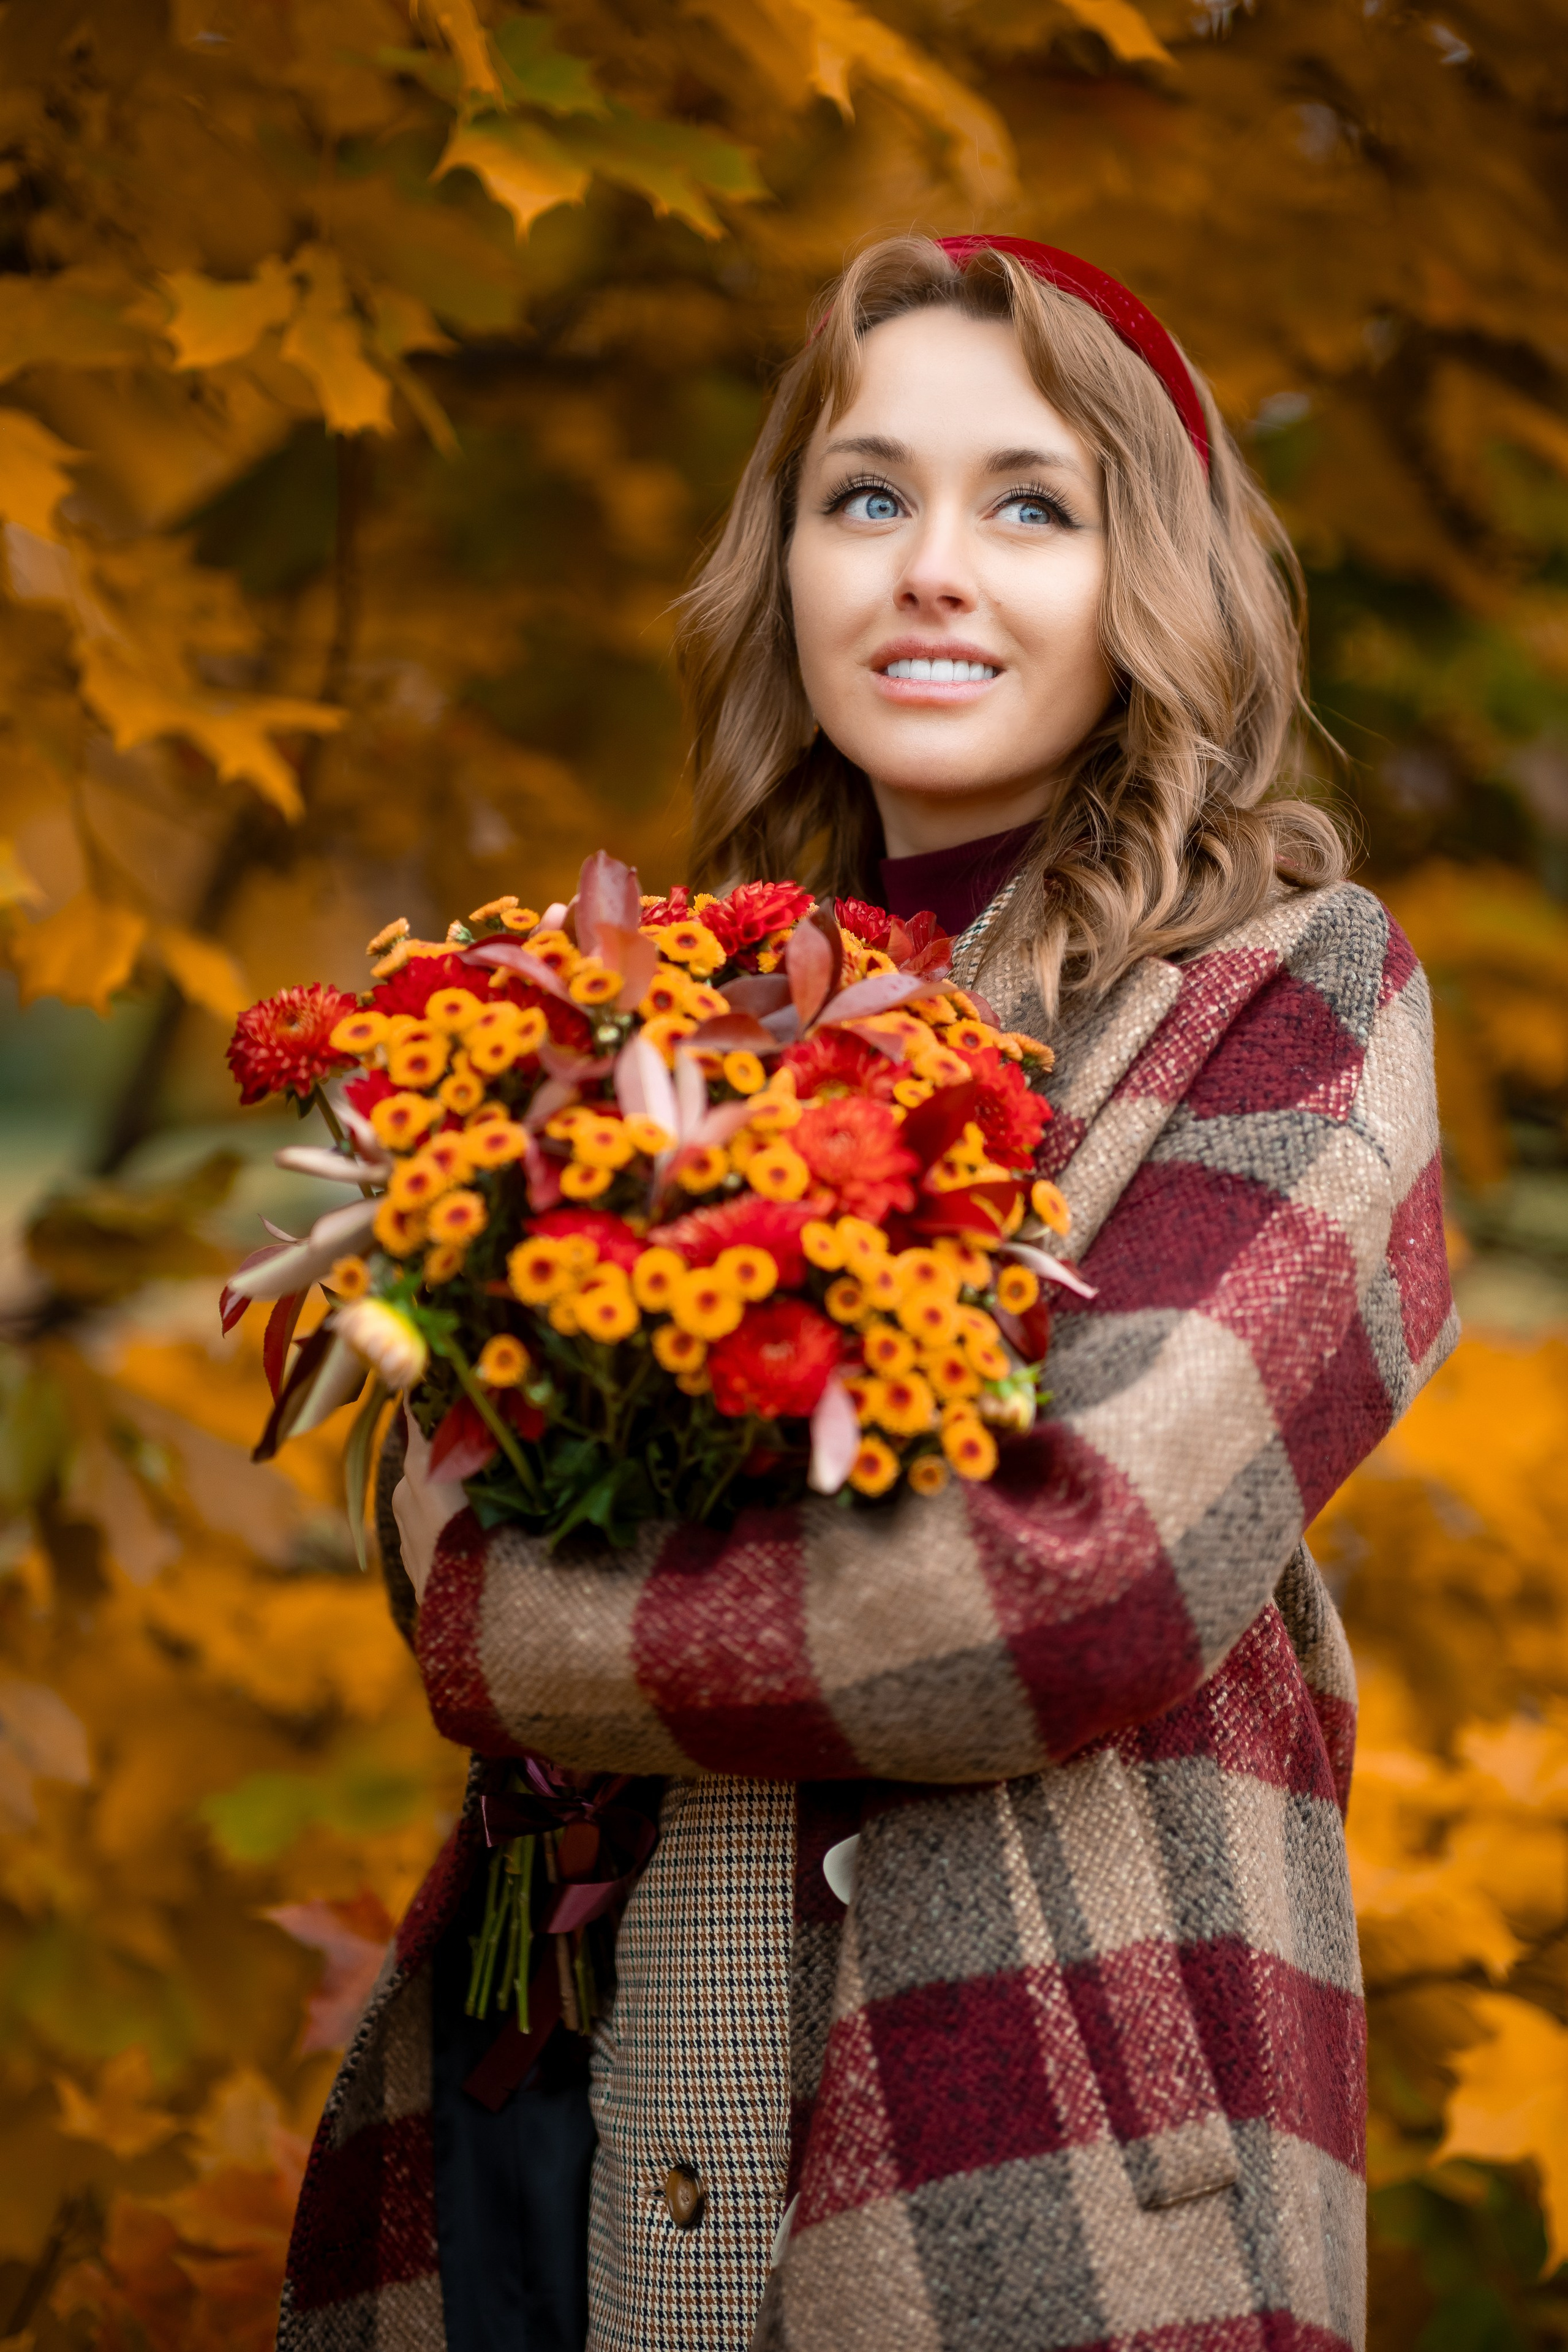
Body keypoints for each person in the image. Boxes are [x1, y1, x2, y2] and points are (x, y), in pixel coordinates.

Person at [277, 235, 1455, 2352]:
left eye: (1031, 505)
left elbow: (1067, 1588)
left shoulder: (1286, 998)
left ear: (1152, 581)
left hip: (1038, 2172)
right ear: (788, 565)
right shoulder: (644, 1016)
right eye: (869, 494)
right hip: (564, 2139)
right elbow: (428, 1468)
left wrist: (510, 1618)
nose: (931, 569)